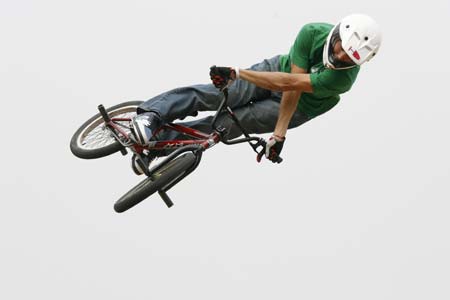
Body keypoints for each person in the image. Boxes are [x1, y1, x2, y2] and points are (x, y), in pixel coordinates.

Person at [130, 13, 382, 175]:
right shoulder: (313, 32)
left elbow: (292, 87)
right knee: (218, 96)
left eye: (348, 58)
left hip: (303, 106)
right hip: (276, 72)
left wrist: (279, 134)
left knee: (225, 127)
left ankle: (158, 147)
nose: (339, 56)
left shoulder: (342, 80)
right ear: (337, 34)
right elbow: (288, 81)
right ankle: (151, 116)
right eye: (341, 49)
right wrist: (237, 75)